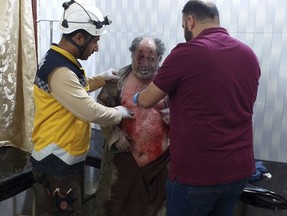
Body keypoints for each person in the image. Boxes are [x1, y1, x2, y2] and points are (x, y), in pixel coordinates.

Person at [132, 1, 261, 216]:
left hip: (197, 174)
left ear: (189, 21)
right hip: (239, 170)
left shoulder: (187, 53)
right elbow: (223, 103)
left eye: (183, 24)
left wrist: (136, 96)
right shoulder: (248, 55)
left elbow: (146, 100)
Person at [31, 1, 133, 215]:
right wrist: (118, 114)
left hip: (58, 157)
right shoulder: (60, 71)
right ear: (79, 38)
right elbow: (89, 110)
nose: (97, 47)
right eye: (95, 41)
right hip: (57, 162)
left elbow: (77, 88)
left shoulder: (60, 60)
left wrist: (101, 78)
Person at [94, 36, 169, 216]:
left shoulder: (170, 83)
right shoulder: (116, 81)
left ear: (160, 59)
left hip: (159, 166)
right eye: (140, 57)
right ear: (132, 56)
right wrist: (114, 133)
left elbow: (189, 115)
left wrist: (175, 118)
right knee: (113, 208)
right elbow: (99, 111)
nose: (144, 63)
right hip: (122, 162)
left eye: (151, 59)